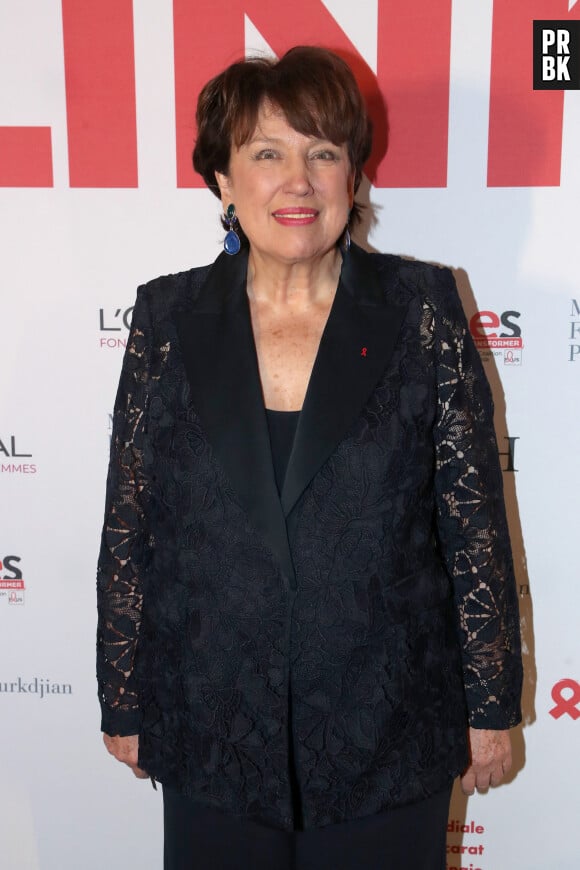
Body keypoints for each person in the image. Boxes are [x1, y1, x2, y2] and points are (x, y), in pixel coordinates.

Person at [97, 46, 522, 870]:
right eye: (267, 153)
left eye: (323, 152)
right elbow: (130, 523)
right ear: (222, 180)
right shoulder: (166, 317)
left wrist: (491, 702)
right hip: (210, 724)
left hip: (388, 733)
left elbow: (471, 529)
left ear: (353, 177)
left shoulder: (421, 309)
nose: (299, 180)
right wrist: (123, 695)